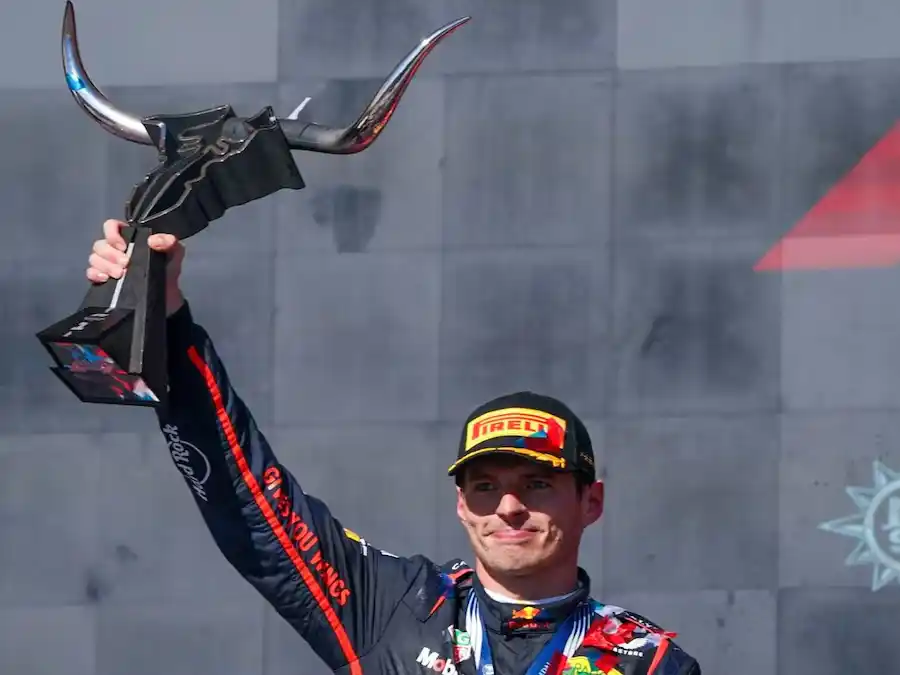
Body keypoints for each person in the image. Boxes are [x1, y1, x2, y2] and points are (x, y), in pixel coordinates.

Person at [86, 219, 702, 675]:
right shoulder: (398, 607)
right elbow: (254, 504)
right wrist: (164, 315)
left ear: (591, 502)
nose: (508, 508)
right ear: (461, 505)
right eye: (485, 487)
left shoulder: (650, 663)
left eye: (537, 484)